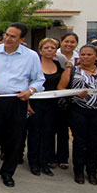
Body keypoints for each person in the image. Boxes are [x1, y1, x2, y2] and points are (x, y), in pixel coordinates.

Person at [0, 22, 45, 187]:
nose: (7, 38)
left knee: (14, 140)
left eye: (12, 36)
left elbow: (39, 79)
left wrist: (31, 90)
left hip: (17, 101)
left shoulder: (31, 56)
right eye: (6, 34)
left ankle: (7, 172)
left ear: (21, 39)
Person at [57, 44, 97, 185]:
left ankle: (92, 171)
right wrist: (75, 93)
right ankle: (78, 170)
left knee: (95, 142)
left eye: (89, 54)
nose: (85, 57)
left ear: (96, 57)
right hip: (79, 110)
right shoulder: (72, 71)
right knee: (79, 141)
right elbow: (60, 88)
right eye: (83, 54)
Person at [27, 38, 63, 177]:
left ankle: (44, 162)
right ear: (41, 50)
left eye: (52, 48)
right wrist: (27, 104)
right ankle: (33, 162)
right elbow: (27, 85)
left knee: (48, 134)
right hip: (36, 103)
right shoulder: (34, 65)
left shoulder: (59, 65)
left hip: (52, 105)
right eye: (46, 47)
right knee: (35, 133)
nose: (49, 50)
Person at [53, 33, 79, 169]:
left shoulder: (80, 57)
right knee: (58, 129)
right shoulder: (54, 55)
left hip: (75, 97)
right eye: (66, 41)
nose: (69, 44)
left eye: (72, 42)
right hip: (57, 95)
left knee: (73, 130)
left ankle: (64, 158)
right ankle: (53, 157)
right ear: (61, 42)